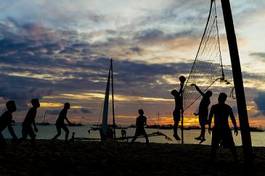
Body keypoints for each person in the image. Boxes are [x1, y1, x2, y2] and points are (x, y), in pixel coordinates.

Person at [208, 93, 238, 161]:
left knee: (217, 145)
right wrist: (235, 127)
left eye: (220, 97)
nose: (219, 98)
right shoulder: (226, 107)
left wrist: (209, 126)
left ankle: (235, 158)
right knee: (216, 145)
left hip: (221, 128)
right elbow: (232, 118)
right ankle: (235, 158)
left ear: (220, 98)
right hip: (222, 128)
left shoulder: (216, 107)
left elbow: (210, 118)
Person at [171, 76, 186, 140]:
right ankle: (175, 134)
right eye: (175, 91)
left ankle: (175, 134)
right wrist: (181, 84)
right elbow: (180, 91)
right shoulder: (177, 96)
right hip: (176, 111)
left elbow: (180, 92)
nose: (177, 92)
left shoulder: (178, 96)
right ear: (174, 93)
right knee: (176, 123)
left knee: (176, 123)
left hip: (177, 111)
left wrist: (182, 85)